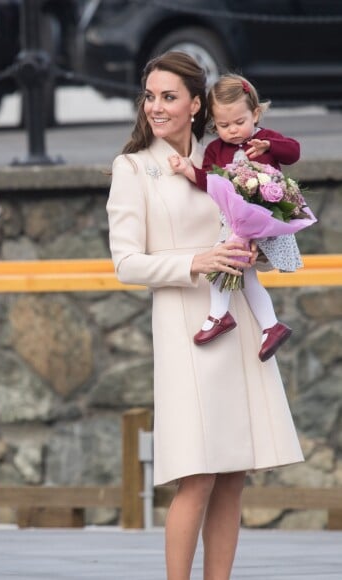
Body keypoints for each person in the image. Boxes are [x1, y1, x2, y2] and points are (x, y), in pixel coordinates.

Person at [106, 52, 303, 580]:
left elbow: (250, 216)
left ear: (196, 104)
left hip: (238, 317)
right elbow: (125, 262)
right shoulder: (133, 168)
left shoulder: (227, 154)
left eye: (168, 96)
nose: (155, 107)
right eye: (149, 96)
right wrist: (196, 261)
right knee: (196, 475)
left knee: (234, 473)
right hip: (187, 328)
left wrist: (257, 248)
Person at [168, 73, 301, 361]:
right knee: (242, 273)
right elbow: (210, 182)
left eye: (240, 122)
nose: (233, 131)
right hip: (236, 222)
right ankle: (270, 326)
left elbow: (294, 151)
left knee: (222, 261)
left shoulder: (264, 138)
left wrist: (270, 147)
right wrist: (187, 170)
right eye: (223, 125)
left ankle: (219, 316)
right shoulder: (216, 150)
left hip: (265, 218)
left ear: (255, 113)